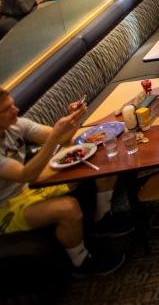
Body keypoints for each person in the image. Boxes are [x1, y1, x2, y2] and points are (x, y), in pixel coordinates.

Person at [0, 89, 129, 276]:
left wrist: (72, 119)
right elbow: (25, 174)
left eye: (12, 104)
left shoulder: (16, 125)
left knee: (102, 159)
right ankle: (81, 262)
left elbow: (63, 138)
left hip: (29, 188)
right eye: (6, 110)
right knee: (68, 208)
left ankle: (103, 219)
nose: (16, 110)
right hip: (6, 208)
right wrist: (55, 138)